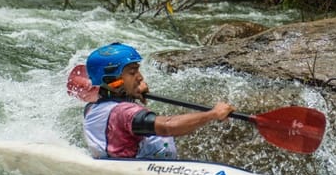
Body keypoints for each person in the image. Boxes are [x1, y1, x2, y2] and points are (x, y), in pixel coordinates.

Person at [83, 42, 236, 159]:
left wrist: (130, 93)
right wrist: (213, 114)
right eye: (132, 72)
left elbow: (114, 107)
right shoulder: (125, 113)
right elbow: (168, 127)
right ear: (112, 79)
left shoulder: (92, 108)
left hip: (119, 165)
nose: (140, 77)